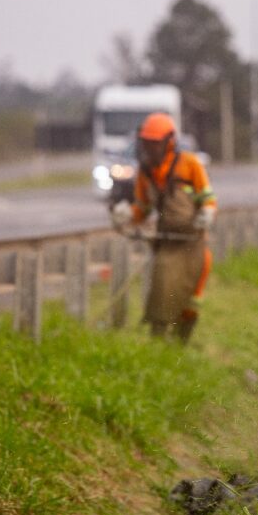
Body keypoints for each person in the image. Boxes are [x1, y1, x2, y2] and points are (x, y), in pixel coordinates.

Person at [111, 113, 216, 343]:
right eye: (146, 143)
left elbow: (207, 197)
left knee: (191, 297)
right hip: (167, 242)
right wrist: (127, 214)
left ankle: (181, 342)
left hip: (193, 242)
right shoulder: (146, 171)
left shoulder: (189, 164)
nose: (150, 148)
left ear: (169, 142)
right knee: (162, 287)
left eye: (154, 143)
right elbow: (143, 208)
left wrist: (207, 213)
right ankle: (158, 340)